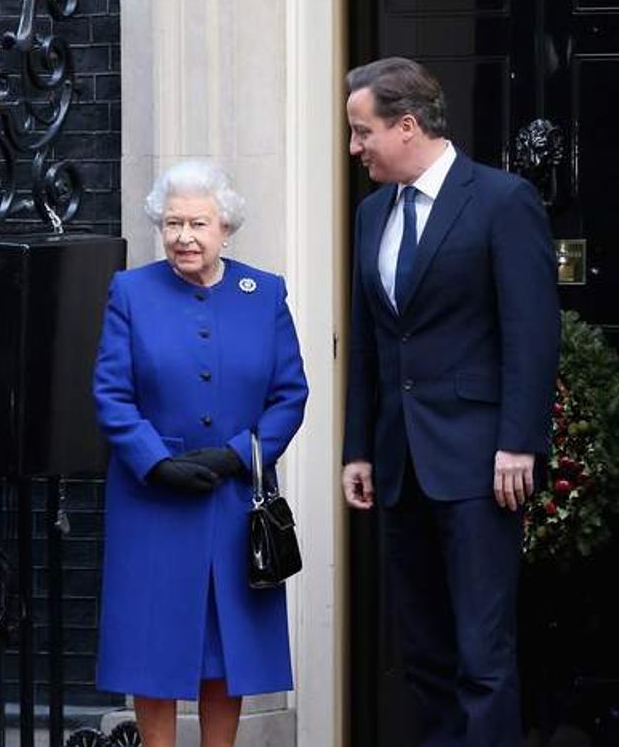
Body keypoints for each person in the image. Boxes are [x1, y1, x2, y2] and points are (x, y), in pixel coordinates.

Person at [341, 57, 561, 746]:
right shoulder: (373, 212)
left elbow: (532, 330)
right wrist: (358, 448)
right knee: (425, 652)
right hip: (400, 461)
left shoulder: (500, 200)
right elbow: (373, 340)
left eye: (361, 131)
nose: (354, 149)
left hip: (479, 462)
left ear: (406, 126)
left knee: (481, 652)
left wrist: (519, 441)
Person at [93, 159, 309, 747]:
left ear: (226, 229)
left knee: (226, 647)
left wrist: (239, 456)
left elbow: (290, 394)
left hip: (233, 497)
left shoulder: (263, 294)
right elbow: (111, 393)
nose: (184, 237)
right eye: (172, 223)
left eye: (198, 224)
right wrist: (155, 461)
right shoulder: (132, 291)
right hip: (152, 500)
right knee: (151, 648)